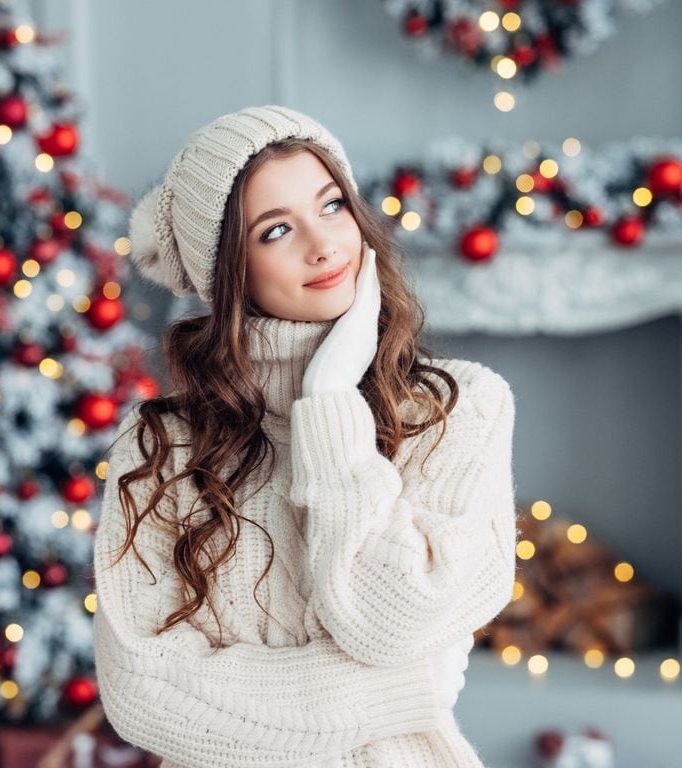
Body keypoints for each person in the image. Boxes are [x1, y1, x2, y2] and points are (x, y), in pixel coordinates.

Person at [91, 105, 518, 767]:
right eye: (276, 230)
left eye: (331, 206)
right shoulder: (161, 447)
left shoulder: (456, 409)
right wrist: (403, 689)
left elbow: (388, 621)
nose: (322, 246)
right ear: (228, 272)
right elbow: (144, 694)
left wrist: (328, 402)